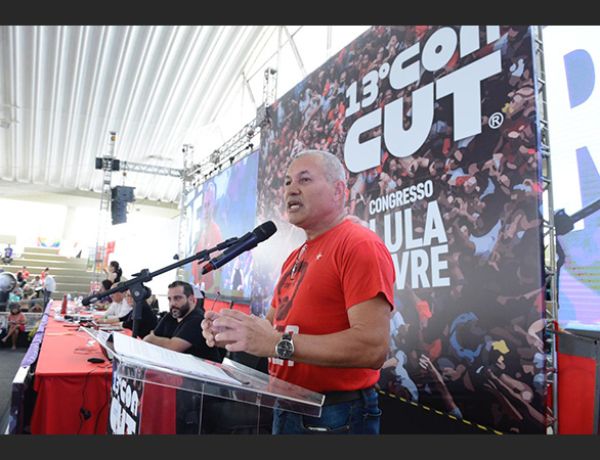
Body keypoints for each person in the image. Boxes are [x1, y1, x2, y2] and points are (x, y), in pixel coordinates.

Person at [202, 150, 395, 435]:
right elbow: (271, 328)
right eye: (288, 182)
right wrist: (232, 328)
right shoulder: (294, 257)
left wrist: (277, 343)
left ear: (338, 190)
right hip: (288, 407)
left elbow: (373, 348)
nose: (291, 189)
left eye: (304, 180)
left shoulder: (358, 244)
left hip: (335, 415)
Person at [144, 281, 224, 433]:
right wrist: (154, 340)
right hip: (180, 383)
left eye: (178, 298)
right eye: (170, 299)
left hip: (202, 389)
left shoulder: (197, 320)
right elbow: (151, 340)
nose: (172, 303)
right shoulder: (171, 316)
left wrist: (153, 339)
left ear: (192, 299)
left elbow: (172, 347)